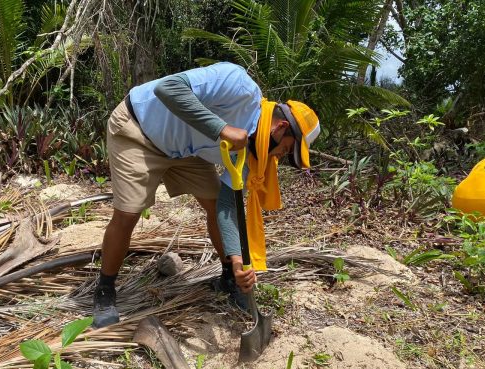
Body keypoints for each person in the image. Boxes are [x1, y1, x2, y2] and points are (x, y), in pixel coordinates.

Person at [92, 61, 321, 328]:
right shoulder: (238, 85)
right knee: (129, 213)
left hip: (184, 151)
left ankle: (228, 276)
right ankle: (105, 290)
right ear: (280, 128)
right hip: (138, 129)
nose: (279, 157)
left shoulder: (253, 154)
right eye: (285, 150)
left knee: (213, 201)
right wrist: (222, 129)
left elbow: (227, 204)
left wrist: (237, 258)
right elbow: (168, 89)